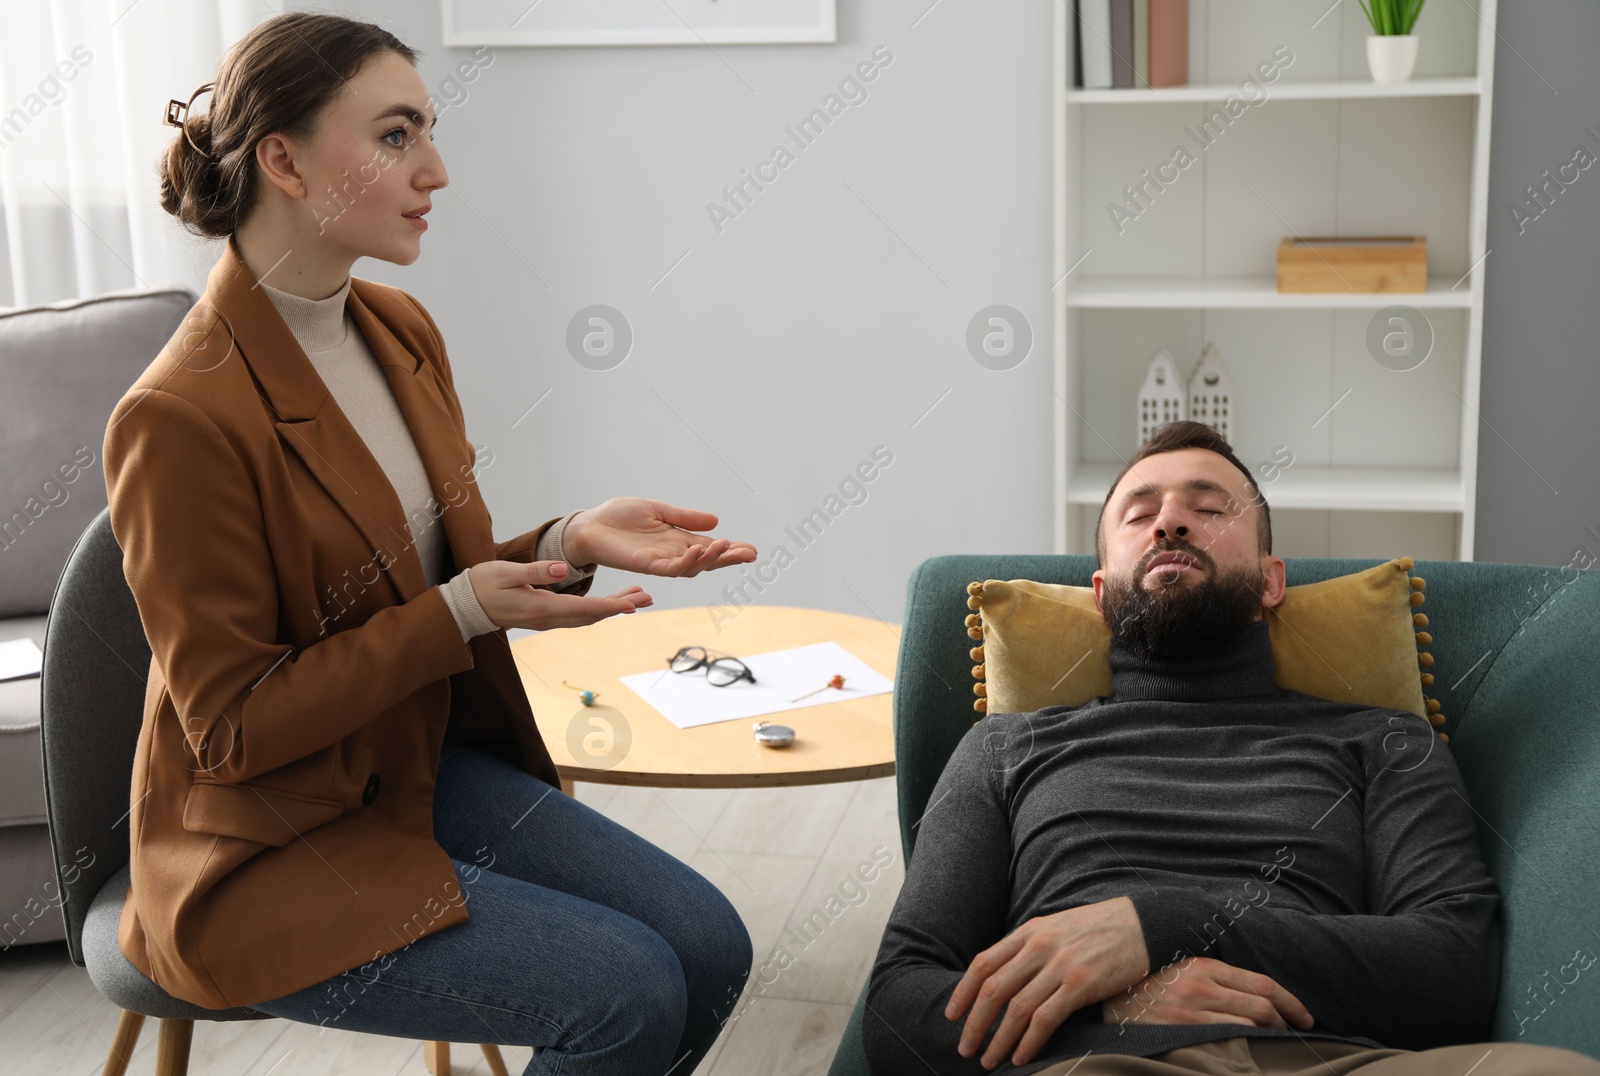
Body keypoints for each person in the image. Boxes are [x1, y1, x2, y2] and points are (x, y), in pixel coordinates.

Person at [103, 13, 752, 1075]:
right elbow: (227, 729)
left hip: (405, 764)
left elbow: (414, 580)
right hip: (265, 842)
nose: (437, 169)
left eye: (428, 132)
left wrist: (566, 536)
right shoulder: (177, 414)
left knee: (712, 946)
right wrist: (459, 613)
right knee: (630, 989)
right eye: (397, 135)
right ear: (284, 160)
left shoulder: (399, 328)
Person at [861, 420, 1600, 1075]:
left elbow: (1453, 969)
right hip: (1098, 1060)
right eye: (1140, 513)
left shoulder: (1384, 741)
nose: (1171, 524)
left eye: (1210, 509)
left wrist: (1155, 924)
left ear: (1271, 582)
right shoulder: (1005, 749)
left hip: (1332, 1057)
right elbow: (900, 1006)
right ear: (1098, 592)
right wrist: (1107, 1009)